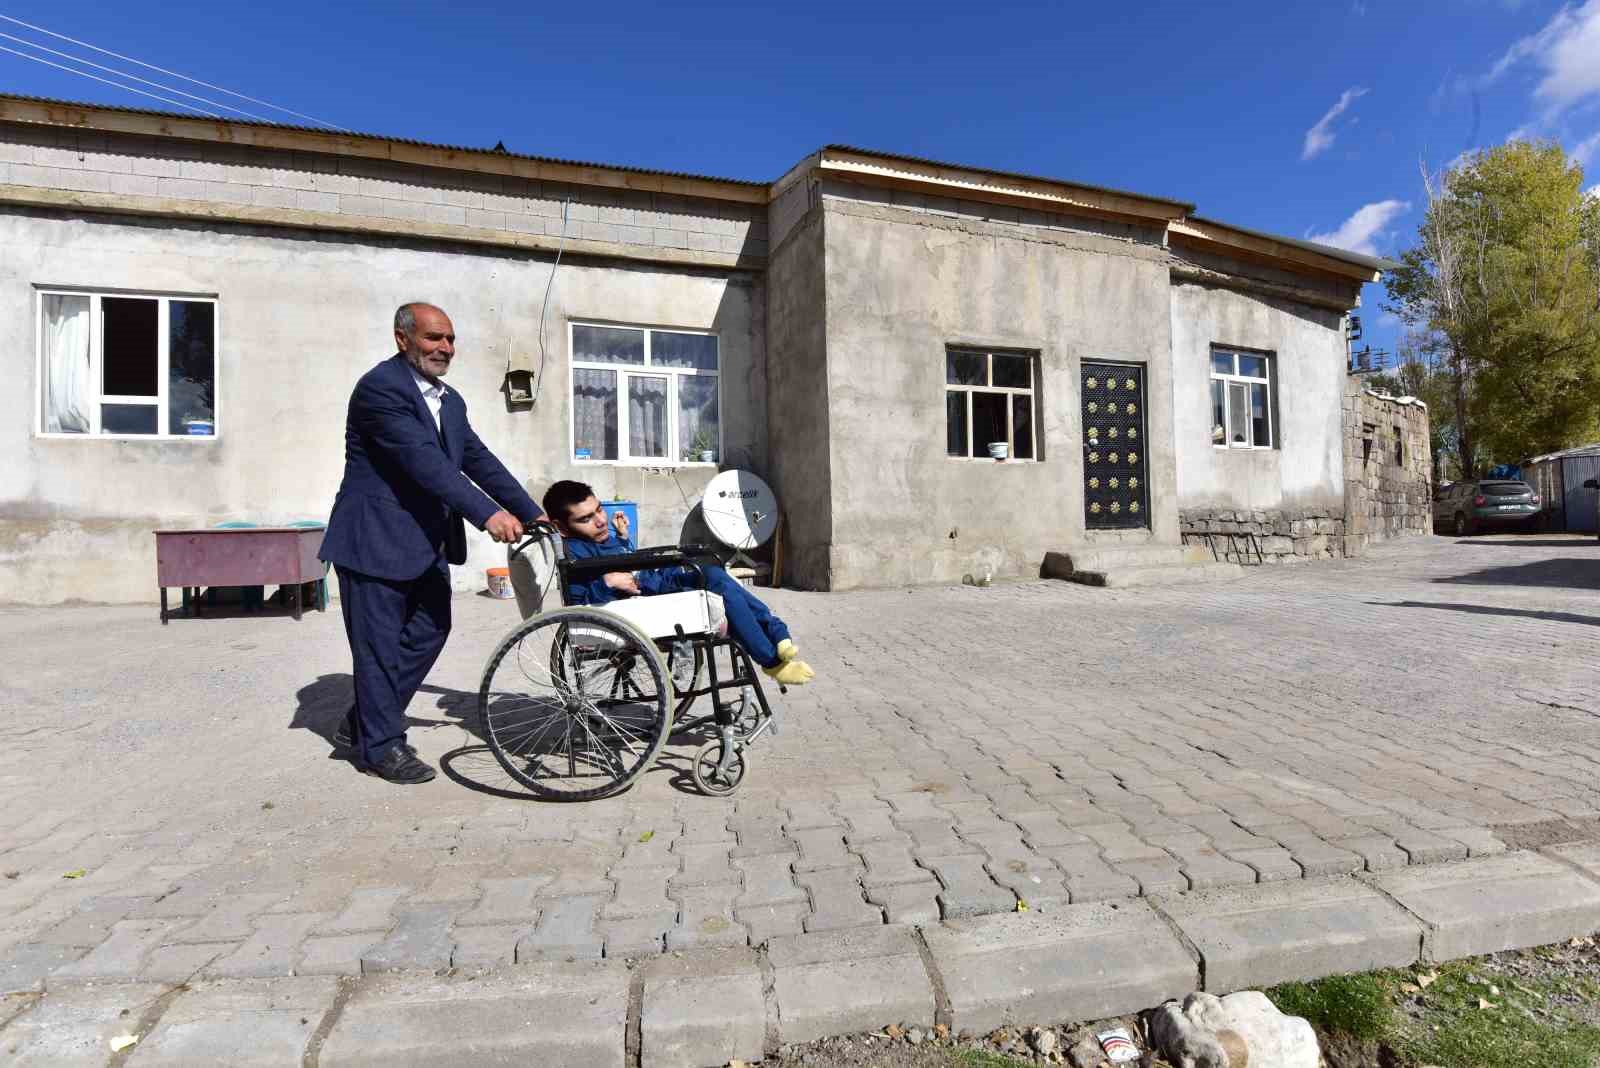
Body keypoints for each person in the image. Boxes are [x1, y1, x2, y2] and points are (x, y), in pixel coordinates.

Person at [320, 303, 544, 784]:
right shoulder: (380, 389)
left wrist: (530, 510)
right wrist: (487, 514)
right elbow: (426, 464)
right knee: (377, 648)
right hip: (373, 541)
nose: (445, 348)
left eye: (450, 339)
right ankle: (381, 747)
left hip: (424, 544)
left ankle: (363, 721)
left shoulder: (449, 399)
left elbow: (477, 459)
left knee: (431, 629)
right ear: (403, 339)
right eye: (433, 338)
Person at [540, 480, 816, 685]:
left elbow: (621, 559)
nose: (600, 521)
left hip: (655, 581)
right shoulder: (574, 551)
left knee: (717, 574)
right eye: (586, 519)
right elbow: (576, 602)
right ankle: (772, 656)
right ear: (562, 527)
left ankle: (775, 636)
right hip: (649, 596)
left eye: (598, 510)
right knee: (718, 582)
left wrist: (623, 538)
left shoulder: (600, 538)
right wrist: (607, 582)